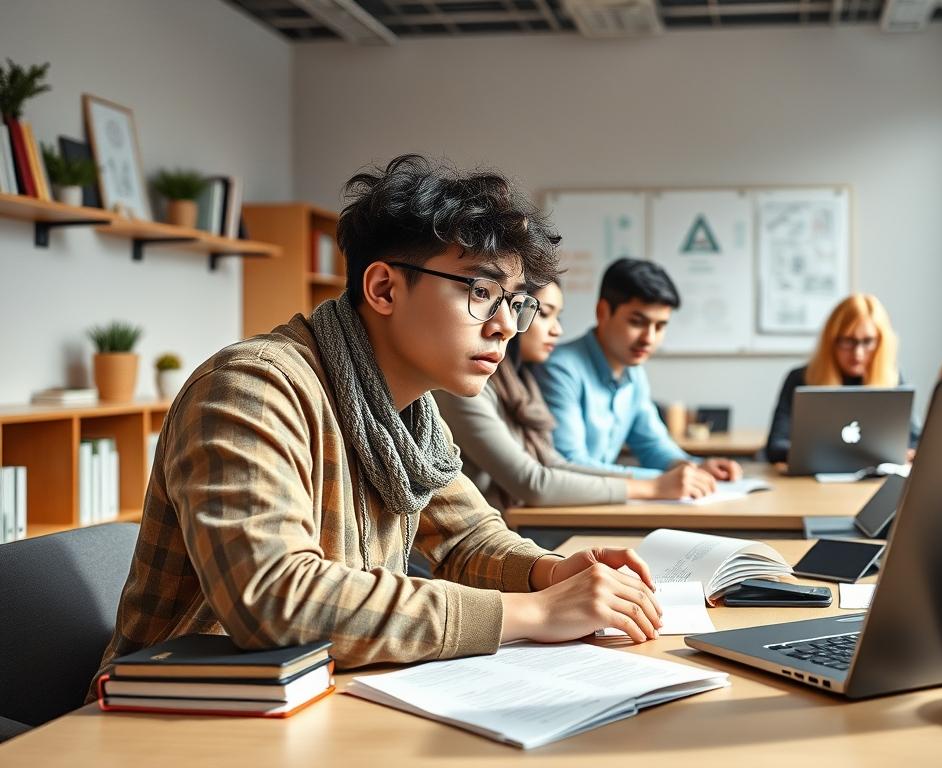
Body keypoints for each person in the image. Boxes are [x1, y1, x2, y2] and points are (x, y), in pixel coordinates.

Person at [89, 155, 666, 700]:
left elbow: (466, 537)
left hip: (326, 696)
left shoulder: (410, 407)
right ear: (384, 288)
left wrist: (550, 572)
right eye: (481, 292)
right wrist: (535, 612)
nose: (505, 327)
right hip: (186, 713)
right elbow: (275, 600)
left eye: (514, 302)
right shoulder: (251, 388)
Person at [435, 279, 715, 509]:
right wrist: (653, 486)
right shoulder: (468, 388)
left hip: (509, 527)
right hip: (481, 538)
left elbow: (555, 463)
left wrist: (681, 474)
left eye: (557, 316)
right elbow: (533, 483)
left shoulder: (521, 385)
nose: (558, 330)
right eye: (543, 314)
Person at [535, 258, 742, 484]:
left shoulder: (634, 373)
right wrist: (664, 481)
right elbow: (570, 464)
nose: (649, 339)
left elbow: (652, 444)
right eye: (637, 322)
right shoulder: (559, 369)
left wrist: (693, 468)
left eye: (660, 326)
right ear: (602, 312)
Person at [765, 294, 919, 464]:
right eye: (848, 341)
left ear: (881, 343)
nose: (857, 353)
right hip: (812, 478)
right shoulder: (800, 379)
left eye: (868, 341)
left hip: (875, 477)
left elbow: (916, 441)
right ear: (831, 341)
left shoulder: (893, 380)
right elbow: (775, 446)